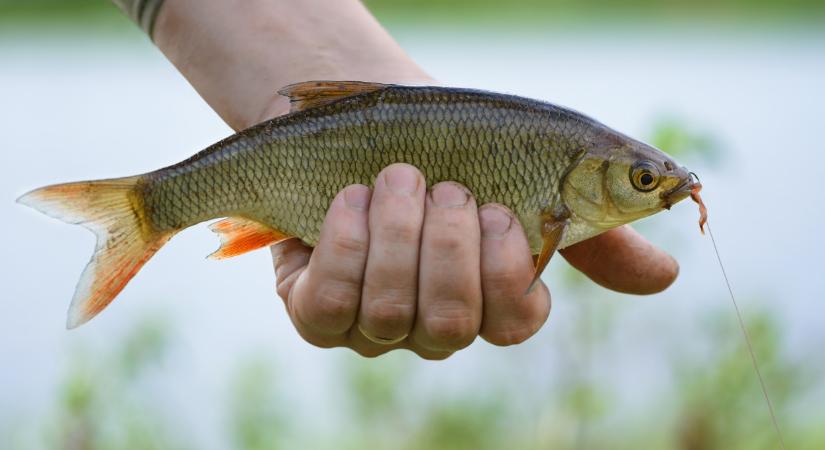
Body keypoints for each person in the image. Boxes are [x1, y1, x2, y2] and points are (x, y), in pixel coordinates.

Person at [111, 0, 678, 359]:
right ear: (590, 175)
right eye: (645, 178)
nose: (657, 188)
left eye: (646, 179)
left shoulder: (565, 150)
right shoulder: (562, 174)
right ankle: (145, 209)